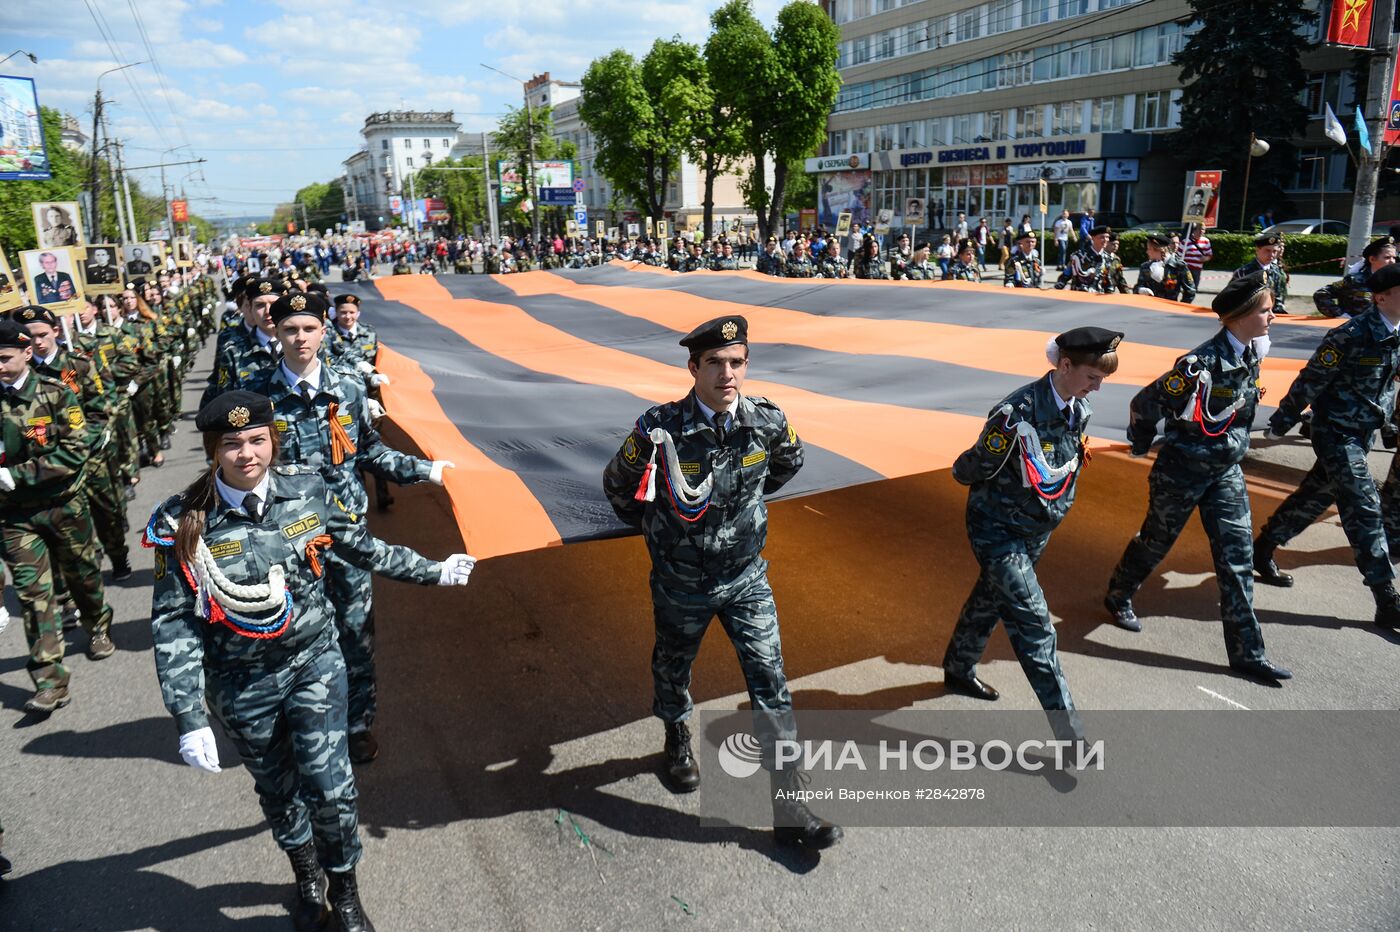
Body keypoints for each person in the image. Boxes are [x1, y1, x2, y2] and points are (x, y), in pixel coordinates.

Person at [148, 391, 475, 932]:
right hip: (241, 683)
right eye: (232, 444)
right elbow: (174, 622)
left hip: (313, 662)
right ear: (213, 450)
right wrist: (189, 717)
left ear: (271, 440)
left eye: (257, 440)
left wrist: (432, 570)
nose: (247, 453)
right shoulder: (184, 522)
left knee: (330, 786)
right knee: (278, 790)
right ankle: (305, 875)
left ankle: (344, 890)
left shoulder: (306, 489)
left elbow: (359, 546)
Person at [602, 316, 841, 850]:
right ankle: (676, 737)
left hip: (745, 578)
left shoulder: (768, 421)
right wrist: (661, 533)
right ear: (694, 368)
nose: (727, 373)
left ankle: (790, 806)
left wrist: (741, 516)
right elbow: (618, 485)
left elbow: (787, 464)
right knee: (672, 665)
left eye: (736, 362)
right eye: (715, 363)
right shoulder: (659, 427)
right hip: (681, 581)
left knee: (770, 683)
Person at [246, 292, 452, 764]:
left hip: (348, 538)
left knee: (356, 633)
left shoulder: (349, 388)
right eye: (290, 329)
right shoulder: (256, 398)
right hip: (286, 544)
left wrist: (424, 470)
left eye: (308, 328)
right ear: (275, 333)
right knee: (290, 635)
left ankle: (358, 722)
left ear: (324, 332)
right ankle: (299, 721)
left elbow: (371, 453)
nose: (300, 338)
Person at [1104, 273, 1291, 681]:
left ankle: (1247, 653)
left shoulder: (1250, 353)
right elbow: (1145, 402)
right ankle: (1118, 594)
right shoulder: (1197, 364)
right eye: (1265, 310)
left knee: (1237, 560)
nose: (1272, 315)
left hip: (1225, 471)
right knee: (1155, 542)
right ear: (1241, 316)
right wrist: (1139, 443)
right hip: (1182, 471)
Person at [941, 327, 1121, 741]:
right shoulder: (1016, 415)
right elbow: (971, 467)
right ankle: (1070, 735)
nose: (1098, 387)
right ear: (1065, 365)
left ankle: (957, 668)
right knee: (1035, 624)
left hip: (1035, 527)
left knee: (990, 598)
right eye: (1093, 377)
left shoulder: (1077, 406)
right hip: (998, 529)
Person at [1252, 263, 1400, 629]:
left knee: (1316, 495)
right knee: (1363, 506)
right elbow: (1312, 379)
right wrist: (1284, 419)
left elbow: (1390, 386)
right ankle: (1386, 598)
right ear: (1381, 297)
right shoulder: (1350, 335)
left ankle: (1263, 546)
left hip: (1363, 432)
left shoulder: (1397, 333)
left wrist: (1392, 425)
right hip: (1335, 431)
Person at [0, 317, 115, 714]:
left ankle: (97, 625)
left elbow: (73, 451)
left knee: (83, 575)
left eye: (4, 358)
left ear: (26, 353)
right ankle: (50, 681)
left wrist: (16, 475)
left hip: (63, 506)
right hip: (14, 518)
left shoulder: (56, 392)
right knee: (35, 596)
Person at [1314, 237, 1394, 318]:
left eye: (1394, 257)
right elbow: (1321, 294)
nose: (1392, 261)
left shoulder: (1394, 281)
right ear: (1372, 259)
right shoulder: (1354, 280)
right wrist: (1340, 315)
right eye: (1387, 257)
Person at [1233, 232, 1287, 315]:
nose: (1271, 255)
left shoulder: (1276, 271)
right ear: (1257, 250)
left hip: (1272, 315)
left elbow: (1279, 297)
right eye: (1267, 250)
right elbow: (1234, 298)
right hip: (1249, 315)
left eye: (1274, 251)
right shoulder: (1243, 272)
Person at [1135, 233, 1196, 303]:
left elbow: (1190, 291)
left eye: (1149, 249)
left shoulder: (1178, 266)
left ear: (1158, 249)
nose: (1147, 252)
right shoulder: (1145, 267)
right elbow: (1136, 288)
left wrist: (1180, 308)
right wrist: (1140, 290)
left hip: (1170, 310)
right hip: (1150, 308)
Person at [1182, 225, 1213, 291]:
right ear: (1194, 230)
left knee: (1194, 288)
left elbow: (1209, 255)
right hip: (1187, 269)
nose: (1201, 231)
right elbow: (1179, 255)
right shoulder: (1185, 241)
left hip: (1197, 269)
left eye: (1203, 229)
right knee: (1187, 289)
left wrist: (1206, 258)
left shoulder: (1206, 241)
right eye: (1200, 229)